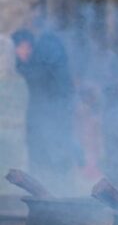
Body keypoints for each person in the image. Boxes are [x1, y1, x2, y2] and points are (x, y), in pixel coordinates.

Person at [11, 29, 82, 193]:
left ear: (25, 45)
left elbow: (42, 84)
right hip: (48, 119)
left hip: (52, 120)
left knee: (53, 158)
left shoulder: (41, 62)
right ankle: (52, 193)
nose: (17, 56)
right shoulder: (43, 60)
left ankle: (58, 194)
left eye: (17, 50)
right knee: (49, 159)